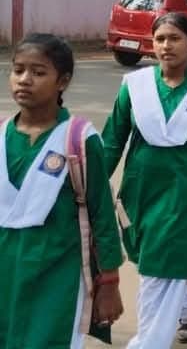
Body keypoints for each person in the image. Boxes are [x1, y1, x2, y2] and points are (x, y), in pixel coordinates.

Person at [102, 13, 187, 346]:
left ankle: (148, 341)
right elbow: (111, 142)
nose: (167, 45)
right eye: (161, 38)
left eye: (175, 38)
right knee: (152, 261)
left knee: (156, 272)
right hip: (139, 190)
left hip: (183, 194)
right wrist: (90, 190)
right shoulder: (135, 87)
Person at [1, 34, 125, 348]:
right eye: (18, 70)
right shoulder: (1, 135)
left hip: (59, 276)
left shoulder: (79, 139)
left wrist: (109, 282)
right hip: (6, 272)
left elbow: (102, 216)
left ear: (63, 81)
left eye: (38, 72)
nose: (24, 80)